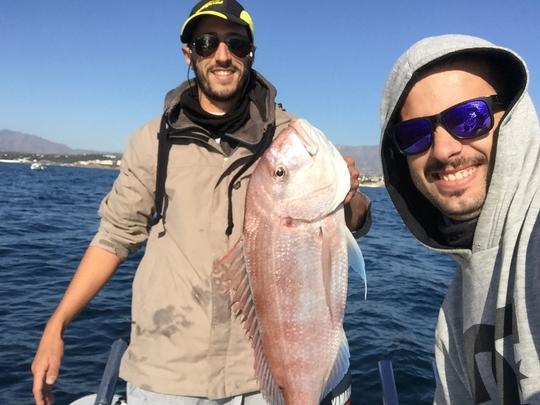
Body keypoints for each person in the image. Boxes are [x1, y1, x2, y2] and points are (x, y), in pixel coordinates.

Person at [31, 1, 372, 404]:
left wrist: (348, 198)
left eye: (237, 43)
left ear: (251, 53)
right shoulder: (151, 141)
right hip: (168, 371)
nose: (222, 55)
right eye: (207, 42)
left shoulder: (291, 139)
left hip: (263, 376)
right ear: (188, 53)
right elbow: (114, 237)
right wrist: (58, 323)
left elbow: (354, 220)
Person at [379, 34, 540, 404]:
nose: (443, 149)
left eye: (469, 119)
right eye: (415, 135)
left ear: (511, 115)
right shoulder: (452, 319)